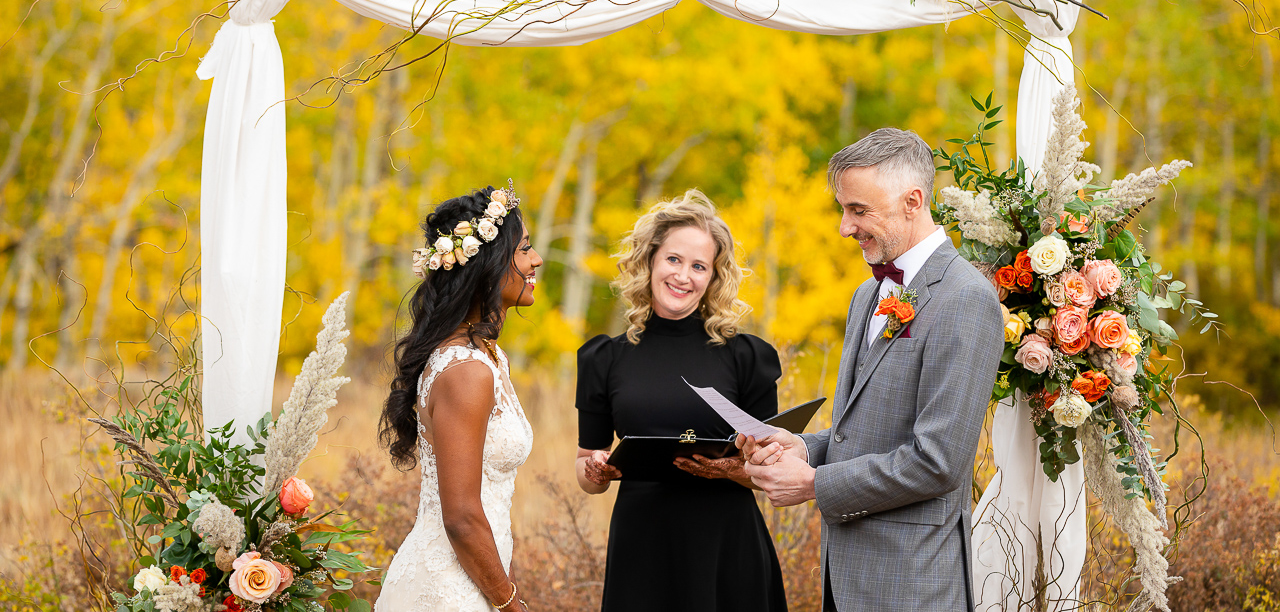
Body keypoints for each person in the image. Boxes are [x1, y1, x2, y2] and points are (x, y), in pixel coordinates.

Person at [740, 129, 1003, 612]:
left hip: (914, 584)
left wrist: (814, 484)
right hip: (845, 579)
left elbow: (937, 462)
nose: (844, 226)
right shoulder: (867, 294)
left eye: (859, 210)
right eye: (844, 208)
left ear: (913, 201)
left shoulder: (966, 300)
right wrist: (803, 446)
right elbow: (859, 434)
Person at [574, 189, 788, 612]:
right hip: (642, 548)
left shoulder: (748, 357)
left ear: (713, 277)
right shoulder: (604, 357)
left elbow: (775, 472)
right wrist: (595, 472)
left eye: (698, 266)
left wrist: (728, 469)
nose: (683, 276)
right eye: (673, 259)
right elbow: (584, 468)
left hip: (727, 546)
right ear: (650, 260)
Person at [376, 183, 543, 612]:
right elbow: (462, 517)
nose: (536, 260)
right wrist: (508, 603)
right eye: (524, 249)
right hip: (448, 590)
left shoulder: (487, 355)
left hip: (474, 579)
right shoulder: (466, 371)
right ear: (488, 264)